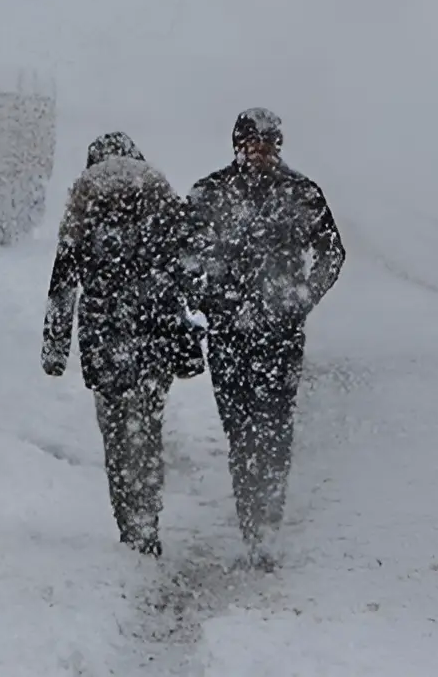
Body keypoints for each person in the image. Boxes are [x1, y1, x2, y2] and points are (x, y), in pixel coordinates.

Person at [181, 107, 346, 565]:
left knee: (274, 429)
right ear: (236, 144)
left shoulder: (301, 193)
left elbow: (332, 253)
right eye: (252, 142)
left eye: (269, 143)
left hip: (280, 333)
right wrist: (204, 297)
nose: (260, 152)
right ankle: (250, 520)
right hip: (229, 333)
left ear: (279, 145)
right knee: (239, 430)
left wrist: (302, 299)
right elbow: (182, 254)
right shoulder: (209, 194)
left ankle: (267, 528)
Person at [42, 132, 204, 558]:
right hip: (153, 330)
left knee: (115, 433)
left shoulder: (84, 199)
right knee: (146, 427)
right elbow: (186, 264)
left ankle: (128, 523)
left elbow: (63, 283)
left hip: (103, 334)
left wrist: (55, 349)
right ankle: (147, 517)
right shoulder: (159, 196)